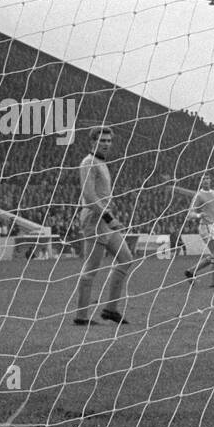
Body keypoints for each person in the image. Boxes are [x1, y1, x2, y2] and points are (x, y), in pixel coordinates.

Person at [73, 126, 134, 326]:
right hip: (94, 220)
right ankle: (81, 316)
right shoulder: (88, 162)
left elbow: (100, 194)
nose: (106, 144)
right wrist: (109, 217)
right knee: (91, 268)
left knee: (125, 259)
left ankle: (110, 309)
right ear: (92, 142)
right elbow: (89, 196)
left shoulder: (101, 162)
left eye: (109, 141)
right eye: (102, 140)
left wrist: (110, 208)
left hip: (105, 220)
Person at [184, 175, 214, 287]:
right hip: (205, 226)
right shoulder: (199, 195)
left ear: (211, 180)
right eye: (203, 179)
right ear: (200, 181)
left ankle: (191, 271)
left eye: (208, 178)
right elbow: (190, 213)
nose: (206, 180)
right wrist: (199, 215)